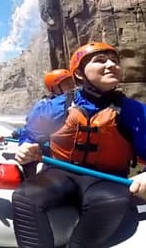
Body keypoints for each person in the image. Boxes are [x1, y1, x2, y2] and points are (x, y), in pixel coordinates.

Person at [12, 42, 146, 248]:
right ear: (80, 74)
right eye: (100, 61)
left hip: (106, 179)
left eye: (115, 61)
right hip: (60, 173)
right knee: (25, 196)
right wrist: (25, 148)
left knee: (111, 200)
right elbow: (30, 136)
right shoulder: (56, 106)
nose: (111, 65)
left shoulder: (134, 111)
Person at [0, 69, 75, 144]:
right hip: (42, 147)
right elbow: (30, 127)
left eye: (72, 83)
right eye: (67, 84)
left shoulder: (74, 99)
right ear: (54, 88)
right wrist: (11, 135)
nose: (72, 86)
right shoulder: (44, 105)